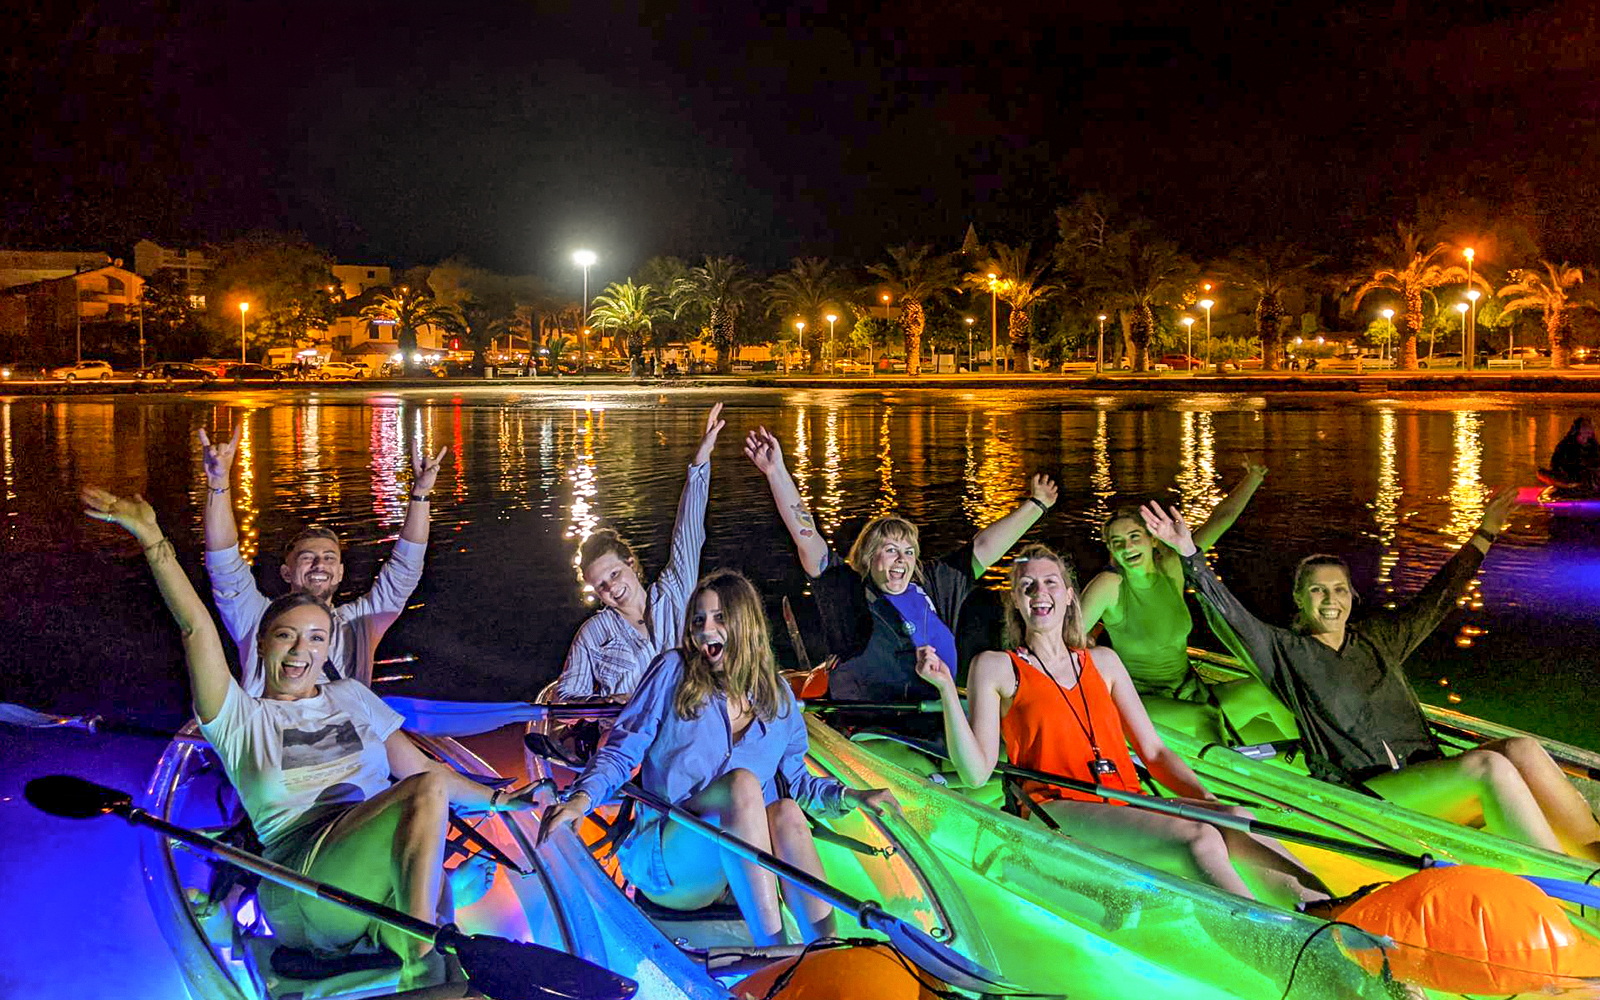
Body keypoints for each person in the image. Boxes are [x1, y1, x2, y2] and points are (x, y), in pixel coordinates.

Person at [82, 488, 542, 987]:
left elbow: (426, 769)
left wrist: (504, 799)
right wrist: (154, 541)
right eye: (286, 635)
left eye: (316, 638)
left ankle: (433, 957)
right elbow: (196, 628)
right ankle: (418, 952)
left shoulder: (351, 697)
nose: (301, 649)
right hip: (306, 886)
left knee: (454, 965)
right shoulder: (238, 718)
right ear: (263, 643)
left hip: (376, 878)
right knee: (423, 803)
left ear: (328, 648)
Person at [1142, 494, 1600, 863]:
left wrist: (1484, 535)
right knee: (1489, 766)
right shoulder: (1286, 652)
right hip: (1363, 792)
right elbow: (1233, 620)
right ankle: (1564, 882)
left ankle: (1591, 858)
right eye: (1317, 590)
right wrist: (1189, 556)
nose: (1330, 600)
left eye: (1339, 589)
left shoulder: (1379, 638)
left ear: (1352, 596)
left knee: (1519, 748)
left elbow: (1436, 600)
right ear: (1299, 600)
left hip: (1421, 774)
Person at [916, 543, 1328, 908]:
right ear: (1015, 602)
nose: (1040, 592)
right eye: (1027, 585)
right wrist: (945, 691)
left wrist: (1207, 804)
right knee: (1199, 838)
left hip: (1122, 798)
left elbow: (1155, 752)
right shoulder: (995, 666)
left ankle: (1330, 911)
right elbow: (976, 773)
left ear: (1069, 596)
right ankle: (1277, 946)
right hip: (1057, 809)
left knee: (1235, 816)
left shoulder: (1104, 662)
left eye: (1050, 582)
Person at [538, 570, 898, 944]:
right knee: (741, 785)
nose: (705, 629)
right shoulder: (672, 672)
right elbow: (621, 750)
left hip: (737, 870)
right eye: (698, 620)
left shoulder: (778, 697)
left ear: (746, 624)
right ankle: (774, 952)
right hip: (674, 860)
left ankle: (826, 950)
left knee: (788, 811)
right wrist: (580, 799)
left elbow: (800, 783)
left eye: (720, 618)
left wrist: (851, 796)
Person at [744, 424, 1058, 703]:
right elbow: (806, 535)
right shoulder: (848, 592)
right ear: (869, 556)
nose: (902, 560)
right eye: (891, 549)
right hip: (873, 725)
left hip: (936, 713)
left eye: (909, 552)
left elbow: (985, 548)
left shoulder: (931, 586)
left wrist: (1037, 505)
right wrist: (776, 472)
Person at [199, 421, 447, 695]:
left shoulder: (360, 623)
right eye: (307, 557)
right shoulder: (257, 618)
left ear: (340, 572)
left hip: (343, 736)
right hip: (274, 735)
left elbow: (405, 568)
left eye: (329, 558)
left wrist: (420, 495)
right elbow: (224, 564)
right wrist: (218, 485)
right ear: (286, 572)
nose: (320, 565)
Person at [1079, 464, 1295, 743]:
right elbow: (1064, 640)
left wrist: (1254, 476)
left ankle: (1320, 772)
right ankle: (1224, 784)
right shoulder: (1110, 586)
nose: (1127, 547)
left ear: (1153, 540)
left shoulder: (1173, 567)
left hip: (1191, 690)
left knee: (1266, 693)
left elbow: (1221, 519)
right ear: (1109, 548)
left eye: (1134, 537)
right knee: (1203, 716)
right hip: (1142, 705)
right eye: (1117, 542)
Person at [553, 403, 725, 700]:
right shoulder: (594, 633)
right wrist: (608, 702)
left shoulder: (674, 593)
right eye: (601, 586)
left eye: (614, 574)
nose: (612, 588)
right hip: (629, 737)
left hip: (687, 728)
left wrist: (700, 462)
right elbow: (567, 698)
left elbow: (688, 532)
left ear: (631, 564)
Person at [1549, 416, 1600, 489]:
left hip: (1589, 476)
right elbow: (1557, 464)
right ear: (1578, 431)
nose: (1588, 435)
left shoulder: (1593, 444)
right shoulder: (1566, 445)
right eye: (1585, 432)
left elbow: (1596, 460)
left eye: (1590, 432)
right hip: (1571, 475)